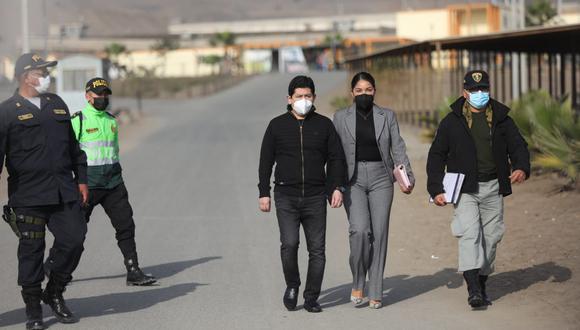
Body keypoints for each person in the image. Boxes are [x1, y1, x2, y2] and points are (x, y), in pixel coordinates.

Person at [426, 70, 530, 308]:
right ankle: (473, 289)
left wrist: (522, 167)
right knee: (470, 234)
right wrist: (435, 188)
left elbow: (518, 145)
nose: (479, 94)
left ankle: (481, 282)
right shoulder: (451, 121)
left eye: (483, 89)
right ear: (465, 93)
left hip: (494, 186)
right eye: (474, 90)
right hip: (465, 188)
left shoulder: (502, 118)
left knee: (492, 237)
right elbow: (436, 155)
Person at [0, 53, 88, 329]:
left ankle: (55, 292)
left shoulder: (57, 104)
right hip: (28, 196)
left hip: (63, 191)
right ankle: (33, 310)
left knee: (74, 240)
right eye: (41, 71)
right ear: (26, 76)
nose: (47, 76)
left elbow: (74, 148)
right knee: (31, 253)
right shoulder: (6, 111)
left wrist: (82, 180)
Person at [258, 75, 346, 313]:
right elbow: (266, 161)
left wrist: (335, 187)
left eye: (308, 96)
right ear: (289, 99)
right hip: (285, 196)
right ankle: (292, 286)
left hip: (316, 197)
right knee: (289, 244)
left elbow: (336, 158)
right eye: (299, 96)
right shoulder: (277, 125)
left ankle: (311, 297)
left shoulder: (324, 125)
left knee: (317, 249)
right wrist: (263, 192)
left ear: (314, 97)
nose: (304, 100)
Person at [333, 71, 415, 309]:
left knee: (379, 233)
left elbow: (397, 147)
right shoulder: (340, 117)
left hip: (382, 177)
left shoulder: (387, 115)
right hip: (353, 179)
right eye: (359, 90)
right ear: (351, 93)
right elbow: (335, 154)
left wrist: (407, 176)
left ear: (375, 91)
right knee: (359, 231)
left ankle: (376, 289)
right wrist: (334, 184)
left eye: (368, 90)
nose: (364, 94)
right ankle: (358, 280)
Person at [69, 78, 156, 286]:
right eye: (99, 94)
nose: (103, 98)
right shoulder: (78, 120)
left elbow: (113, 151)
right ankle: (56, 267)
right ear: (88, 96)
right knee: (74, 232)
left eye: (106, 94)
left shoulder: (111, 120)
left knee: (126, 225)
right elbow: (68, 154)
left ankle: (133, 270)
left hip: (113, 183)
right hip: (87, 185)